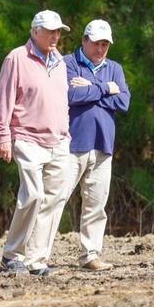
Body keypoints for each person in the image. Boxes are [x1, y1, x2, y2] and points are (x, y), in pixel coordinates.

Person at [0, 9, 75, 276]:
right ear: (35, 31)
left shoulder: (60, 62)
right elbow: (3, 99)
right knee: (34, 195)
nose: (55, 36)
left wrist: (66, 133)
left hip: (59, 141)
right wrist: (3, 136)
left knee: (55, 200)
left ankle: (36, 259)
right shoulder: (16, 58)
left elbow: (61, 101)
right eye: (50, 31)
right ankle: (12, 254)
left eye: (58, 31)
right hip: (27, 138)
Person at [63, 19, 130, 271]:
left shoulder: (115, 68)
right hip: (71, 144)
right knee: (55, 200)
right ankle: (37, 256)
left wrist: (91, 89)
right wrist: (105, 89)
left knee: (96, 205)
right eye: (96, 43)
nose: (100, 48)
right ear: (83, 40)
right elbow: (70, 95)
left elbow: (123, 102)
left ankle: (90, 256)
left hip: (103, 145)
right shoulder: (69, 63)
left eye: (105, 44)